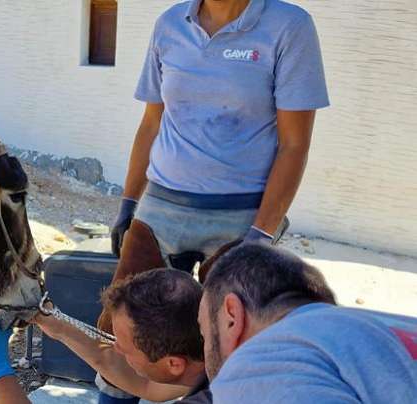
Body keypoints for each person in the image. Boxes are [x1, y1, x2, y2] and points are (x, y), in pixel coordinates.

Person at [102, 1, 329, 399]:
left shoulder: (289, 27)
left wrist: (261, 234)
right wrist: (128, 202)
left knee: (227, 347)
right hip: (161, 205)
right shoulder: (171, 24)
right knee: (120, 328)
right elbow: (152, 123)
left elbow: (294, 146)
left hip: (239, 215)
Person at [198, 243, 417, 404]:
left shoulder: (258, 368)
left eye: (204, 333)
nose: (205, 348)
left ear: (231, 317)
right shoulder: (388, 324)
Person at [0, 269, 213, 404]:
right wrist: (57, 326)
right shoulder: (210, 356)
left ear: (174, 364)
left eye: (126, 349)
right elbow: (145, 383)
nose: (115, 348)